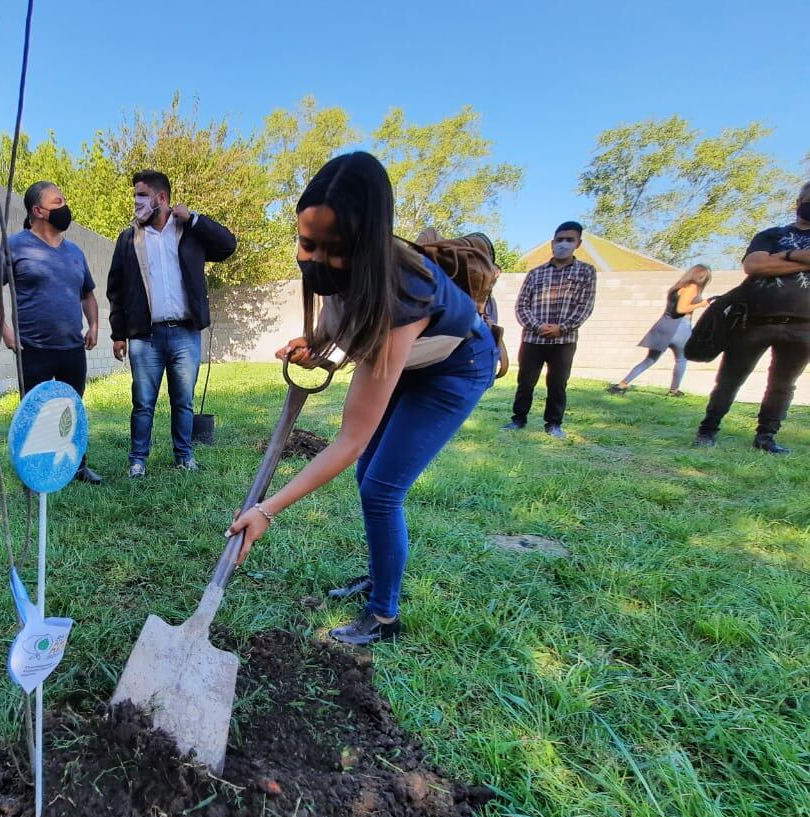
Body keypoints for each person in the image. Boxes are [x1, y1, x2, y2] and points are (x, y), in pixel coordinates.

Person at [227, 152, 498, 645]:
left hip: (455, 370)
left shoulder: (402, 292)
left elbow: (351, 437)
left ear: (366, 245)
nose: (314, 258)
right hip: (413, 357)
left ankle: (384, 613)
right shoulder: (347, 269)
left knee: (381, 488)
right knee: (369, 477)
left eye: (331, 248)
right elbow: (341, 312)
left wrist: (267, 510)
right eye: (305, 243)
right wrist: (315, 346)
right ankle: (382, 575)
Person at [107, 170, 237, 476]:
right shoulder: (129, 239)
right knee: (142, 402)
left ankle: (184, 455)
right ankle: (138, 460)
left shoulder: (189, 231)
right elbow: (116, 289)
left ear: (160, 198)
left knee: (183, 401)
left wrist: (194, 218)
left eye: (141, 194)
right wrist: (118, 334)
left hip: (185, 334)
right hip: (145, 337)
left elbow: (227, 245)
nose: (136, 201)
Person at [0, 180, 103, 484]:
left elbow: (87, 294)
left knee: (71, 410)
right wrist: (5, 331)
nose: (65, 207)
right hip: (32, 349)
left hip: (71, 348)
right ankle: (33, 472)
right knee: (34, 413)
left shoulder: (75, 252)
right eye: (58, 202)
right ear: (38, 210)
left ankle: (75, 466)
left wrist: (95, 325)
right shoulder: (17, 246)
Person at [694, 182, 810, 454]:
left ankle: (766, 437)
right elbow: (754, 265)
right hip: (754, 320)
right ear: (799, 201)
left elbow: (766, 265)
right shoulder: (771, 234)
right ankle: (707, 430)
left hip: (804, 326)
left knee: (783, 384)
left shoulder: (774, 245)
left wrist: (779, 259)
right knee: (730, 378)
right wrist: (798, 255)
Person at [502, 221, 597, 438]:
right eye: (559, 240)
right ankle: (518, 419)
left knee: (557, 383)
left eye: (569, 240)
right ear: (552, 242)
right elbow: (522, 305)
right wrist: (538, 326)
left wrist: (562, 328)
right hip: (533, 339)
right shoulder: (536, 273)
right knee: (525, 382)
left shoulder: (586, 272)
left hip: (564, 341)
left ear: (578, 243)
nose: (563, 244)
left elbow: (585, 306)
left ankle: (553, 424)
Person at [608, 265, 712, 396]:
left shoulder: (678, 288)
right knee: (681, 359)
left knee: (650, 359)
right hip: (680, 327)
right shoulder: (692, 288)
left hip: (664, 325)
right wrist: (702, 304)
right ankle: (674, 390)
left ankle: (622, 385)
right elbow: (681, 309)